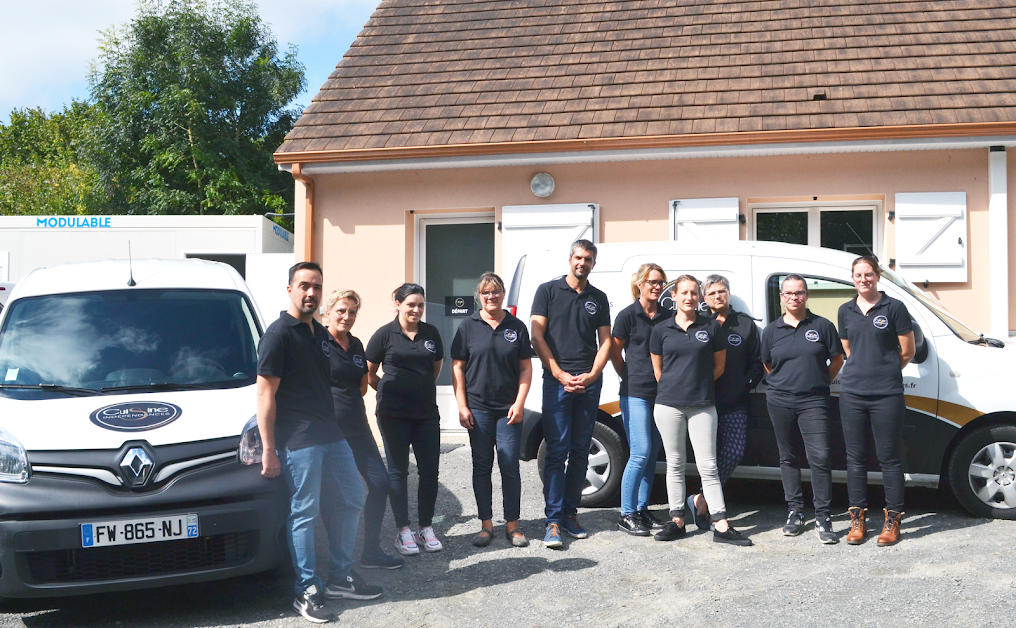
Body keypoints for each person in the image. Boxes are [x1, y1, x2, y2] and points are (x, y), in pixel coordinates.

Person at [256, 262, 382, 624]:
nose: (311, 293)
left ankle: (340, 576)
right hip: (298, 440)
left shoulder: (318, 335)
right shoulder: (279, 334)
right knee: (305, 513)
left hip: (332, 433)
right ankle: (306, 590)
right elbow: (265, 395)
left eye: (316, 287)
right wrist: (268, 448)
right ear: (290, 290)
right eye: (304, 286)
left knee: (351, 497)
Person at [650, 274, 751, 546]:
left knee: (708, 466)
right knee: (675, 463)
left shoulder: (711, 327)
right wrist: (677, 387)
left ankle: (721, 524)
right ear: (674, 297)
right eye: (683, 292)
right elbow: (659, 370)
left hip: (703, 404)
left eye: (694, 293)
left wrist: (698, 385)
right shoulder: (661, 329)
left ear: (699, 297)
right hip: (668, 404)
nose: (688, 297)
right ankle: (677, 521)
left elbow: (719, 367)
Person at [530, 239, 612, 548]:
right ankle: (552, 521)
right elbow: (536, 335)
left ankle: (569, 514)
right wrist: (558, 372)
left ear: (593, 263)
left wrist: (592, 374)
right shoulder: (548, 291)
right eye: (578, 257)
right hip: (557, 381)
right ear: (570, 259)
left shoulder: (598, 298)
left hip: (589, 384)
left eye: (588, 258)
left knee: (580, 451)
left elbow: (605, 341)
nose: (583, 262)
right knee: (557, 450)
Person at [321, 289, 404, 570]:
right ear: (328, 311)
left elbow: (361, 384)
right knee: (333, 494)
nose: (347, 316)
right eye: (342, 310)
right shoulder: (315, 342)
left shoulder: (355, 344)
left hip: (358, 427)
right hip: (327, 432)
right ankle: (336, 561)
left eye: (352, 312)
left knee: (380, 483)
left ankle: (370, 551)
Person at [760, 274, 844, 545]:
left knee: (820, 457)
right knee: (788, 457)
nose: (793, 297)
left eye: (799, 293)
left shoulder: (822, 326)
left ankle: (823, 515)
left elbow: (837, 358)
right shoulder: (771, 330)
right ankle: (794, 511)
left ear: (807, 295)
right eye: (788, 293)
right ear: (781, 297)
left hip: (814, 401)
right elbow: (767, 363)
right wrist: (785, 382)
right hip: (780, 400)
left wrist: (819, 381)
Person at [451, 272, 534, 548]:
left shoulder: (516, 326)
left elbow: (525, 367)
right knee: (481, 466)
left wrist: (520, 402)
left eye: (495, 292)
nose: (490, 297)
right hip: (479, 408)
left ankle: (512, 525)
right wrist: (462, 406)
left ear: (502, 294)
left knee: (509, 464)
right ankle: (486, 525)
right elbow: (458, 367)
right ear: (479, 295)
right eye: (485, 293)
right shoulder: (468, 326)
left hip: (508, 410)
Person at [838, 256, 916, 546]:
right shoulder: (845, 310)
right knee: (855, 459)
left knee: (890, 459)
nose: (863, 279)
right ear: (853, 278)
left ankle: (892, 521)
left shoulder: (894, 307)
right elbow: (849, 350)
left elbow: (907, 351)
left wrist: (883, 370)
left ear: (877, 276)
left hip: (887, 394)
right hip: (853, 394)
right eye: (858, 275)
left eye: (868, 274)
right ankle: (857, 521)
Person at [365, 283, 445, 556]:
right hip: (393, 414)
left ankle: (426, 527)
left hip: (425, 414)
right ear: (398, 303)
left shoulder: (431, 333)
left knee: (430, 471)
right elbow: (369, 373)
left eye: (420, 305)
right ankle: (403, 531)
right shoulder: (385, 335)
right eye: (411, 304)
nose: (416, 309)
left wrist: (417, 388)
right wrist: (389, 390)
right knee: (398, 472)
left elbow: (435, 367)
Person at [683, 275, 763, 525]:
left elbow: (757, 363)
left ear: (728, 294)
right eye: (712, 293)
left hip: (734, 403)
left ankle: (701, 500)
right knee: (707, 457)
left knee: (734, 452)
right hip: (702, 403)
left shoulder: (745, 325)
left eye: (722, 291)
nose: (718, 296)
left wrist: (744, 385)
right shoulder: (698, 324)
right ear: (704, 298)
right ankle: (710, 507)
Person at [610, 263, 669, 536]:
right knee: (641, 452)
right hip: (635, 394)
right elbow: (614, 351)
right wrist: (628, 376)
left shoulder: (667, 316)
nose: (657, 286)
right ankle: (626, 513)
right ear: (640, 284)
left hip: (662, 395)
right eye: (652, 281)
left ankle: (642, 510)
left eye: (660, 282)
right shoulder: (627, 316)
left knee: (652, 454)